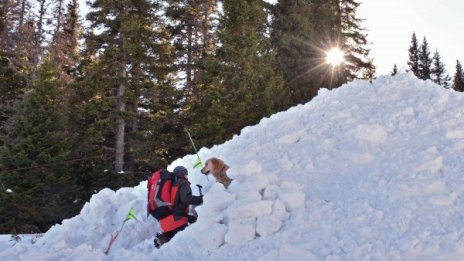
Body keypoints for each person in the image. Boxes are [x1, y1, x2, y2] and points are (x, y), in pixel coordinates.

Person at [154, 166, 203, 248]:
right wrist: (201, 199)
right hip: (177, 220)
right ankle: (166, 240)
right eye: (186, 175)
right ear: (182, 174)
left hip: (165, 222)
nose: (186, 177)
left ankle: (163, 238)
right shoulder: (182, 183)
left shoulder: (171, 185)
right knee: (187, 238)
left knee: (192, 221)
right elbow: (186, 199)